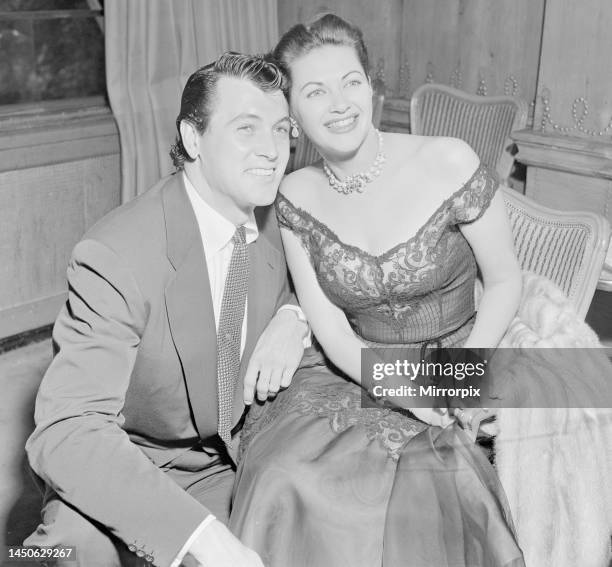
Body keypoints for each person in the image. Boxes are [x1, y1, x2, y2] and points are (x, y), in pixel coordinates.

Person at [228, 15, 529, 567]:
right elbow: (333, 331)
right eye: (316, 92)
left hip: (461, 350)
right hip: (358, 366)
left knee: (431, 489)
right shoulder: (294, 194)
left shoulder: (448, 160)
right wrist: (405, 390)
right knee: (284, 476)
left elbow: (507, 279)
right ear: (292, 115)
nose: (340, 104)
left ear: (372, 88)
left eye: (351, 82)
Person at [24, 52, 310, 567]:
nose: (273, 150)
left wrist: (295, 317)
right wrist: (204, 538)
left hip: (226, 461)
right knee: (62, 555)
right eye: (247, 128)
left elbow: (318, 291)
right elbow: (66, 430)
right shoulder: (116, 255)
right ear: (193, 138)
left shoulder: (279, 217)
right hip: (126, 460)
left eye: (282, 128)